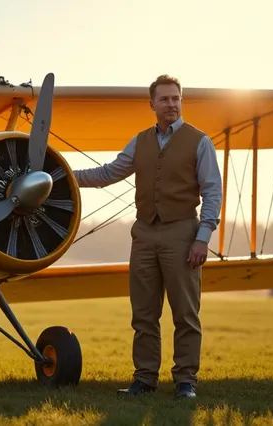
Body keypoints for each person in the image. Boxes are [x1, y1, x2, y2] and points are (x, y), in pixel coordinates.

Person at [72, 74, 222, 399]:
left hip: (183, 233)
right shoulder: (140, 141)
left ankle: (185, 382)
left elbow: (212, 191)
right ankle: (144, 380)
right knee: (143, 314)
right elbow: (109, 172)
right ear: (151, 104)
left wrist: (203, 237)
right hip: (143, 234)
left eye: (176, 98)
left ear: (182, 101)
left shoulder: (200, 141)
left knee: (185, 313)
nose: (171, 104)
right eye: (165, 99)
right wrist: (64, 176)